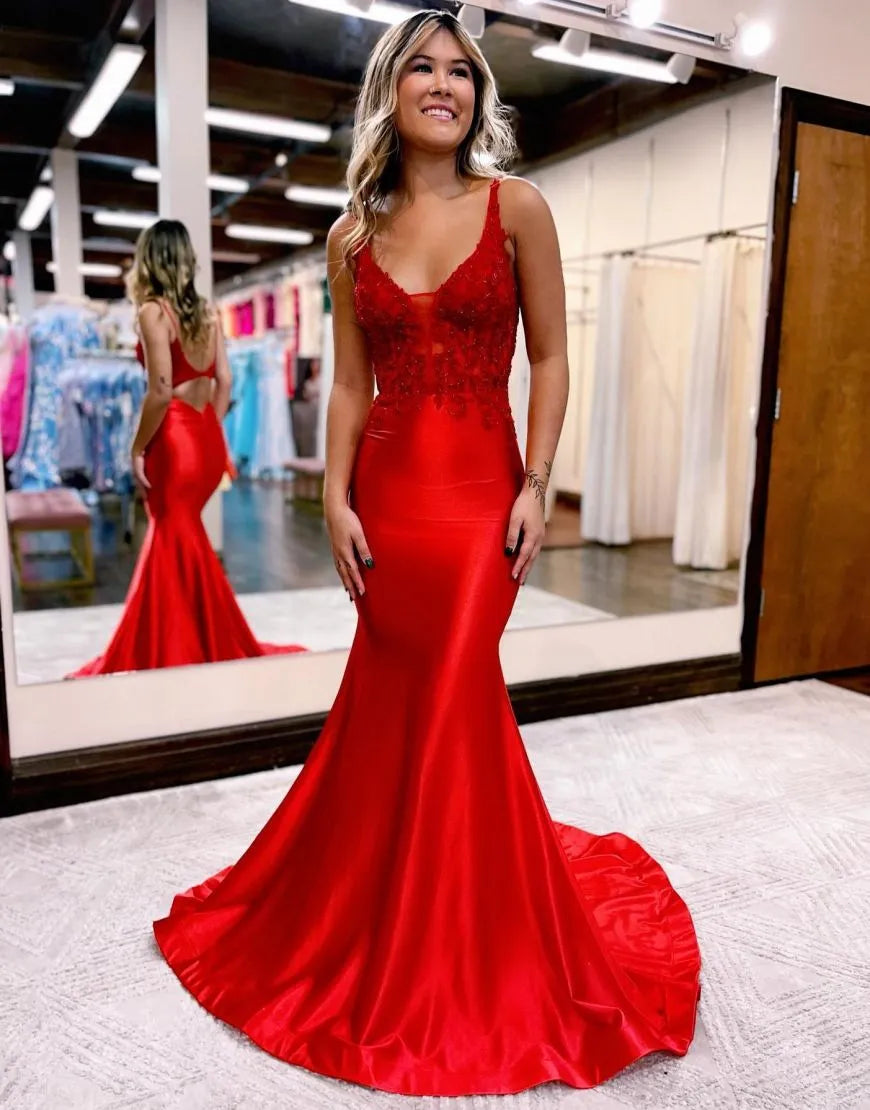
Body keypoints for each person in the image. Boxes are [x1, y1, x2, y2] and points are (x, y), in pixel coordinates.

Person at [152, 11, 701, 1095]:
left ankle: (447, 940)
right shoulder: (350, 238)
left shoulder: (518, 208)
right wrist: (333, 497)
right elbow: (351, 385)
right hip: (391, 503)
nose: (444, 84)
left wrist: (538, 482)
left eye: (461, 71)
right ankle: (385, 903)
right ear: (391, 93)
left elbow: (552, 357)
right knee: (403, 703)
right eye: (422, 68)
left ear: (477, 97)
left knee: (454, 688)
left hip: (483, 502)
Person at [69, 220, 305, 677]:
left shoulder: (153, 313)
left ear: (149, 261)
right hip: (204, 435)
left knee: (170, 533)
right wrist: (206, 430)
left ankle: (174, 645)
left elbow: (160, 389)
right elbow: (225, 381)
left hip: (174, 437)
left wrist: (137, 448)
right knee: (182, 535)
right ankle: (197, 634)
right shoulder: (208, 313)